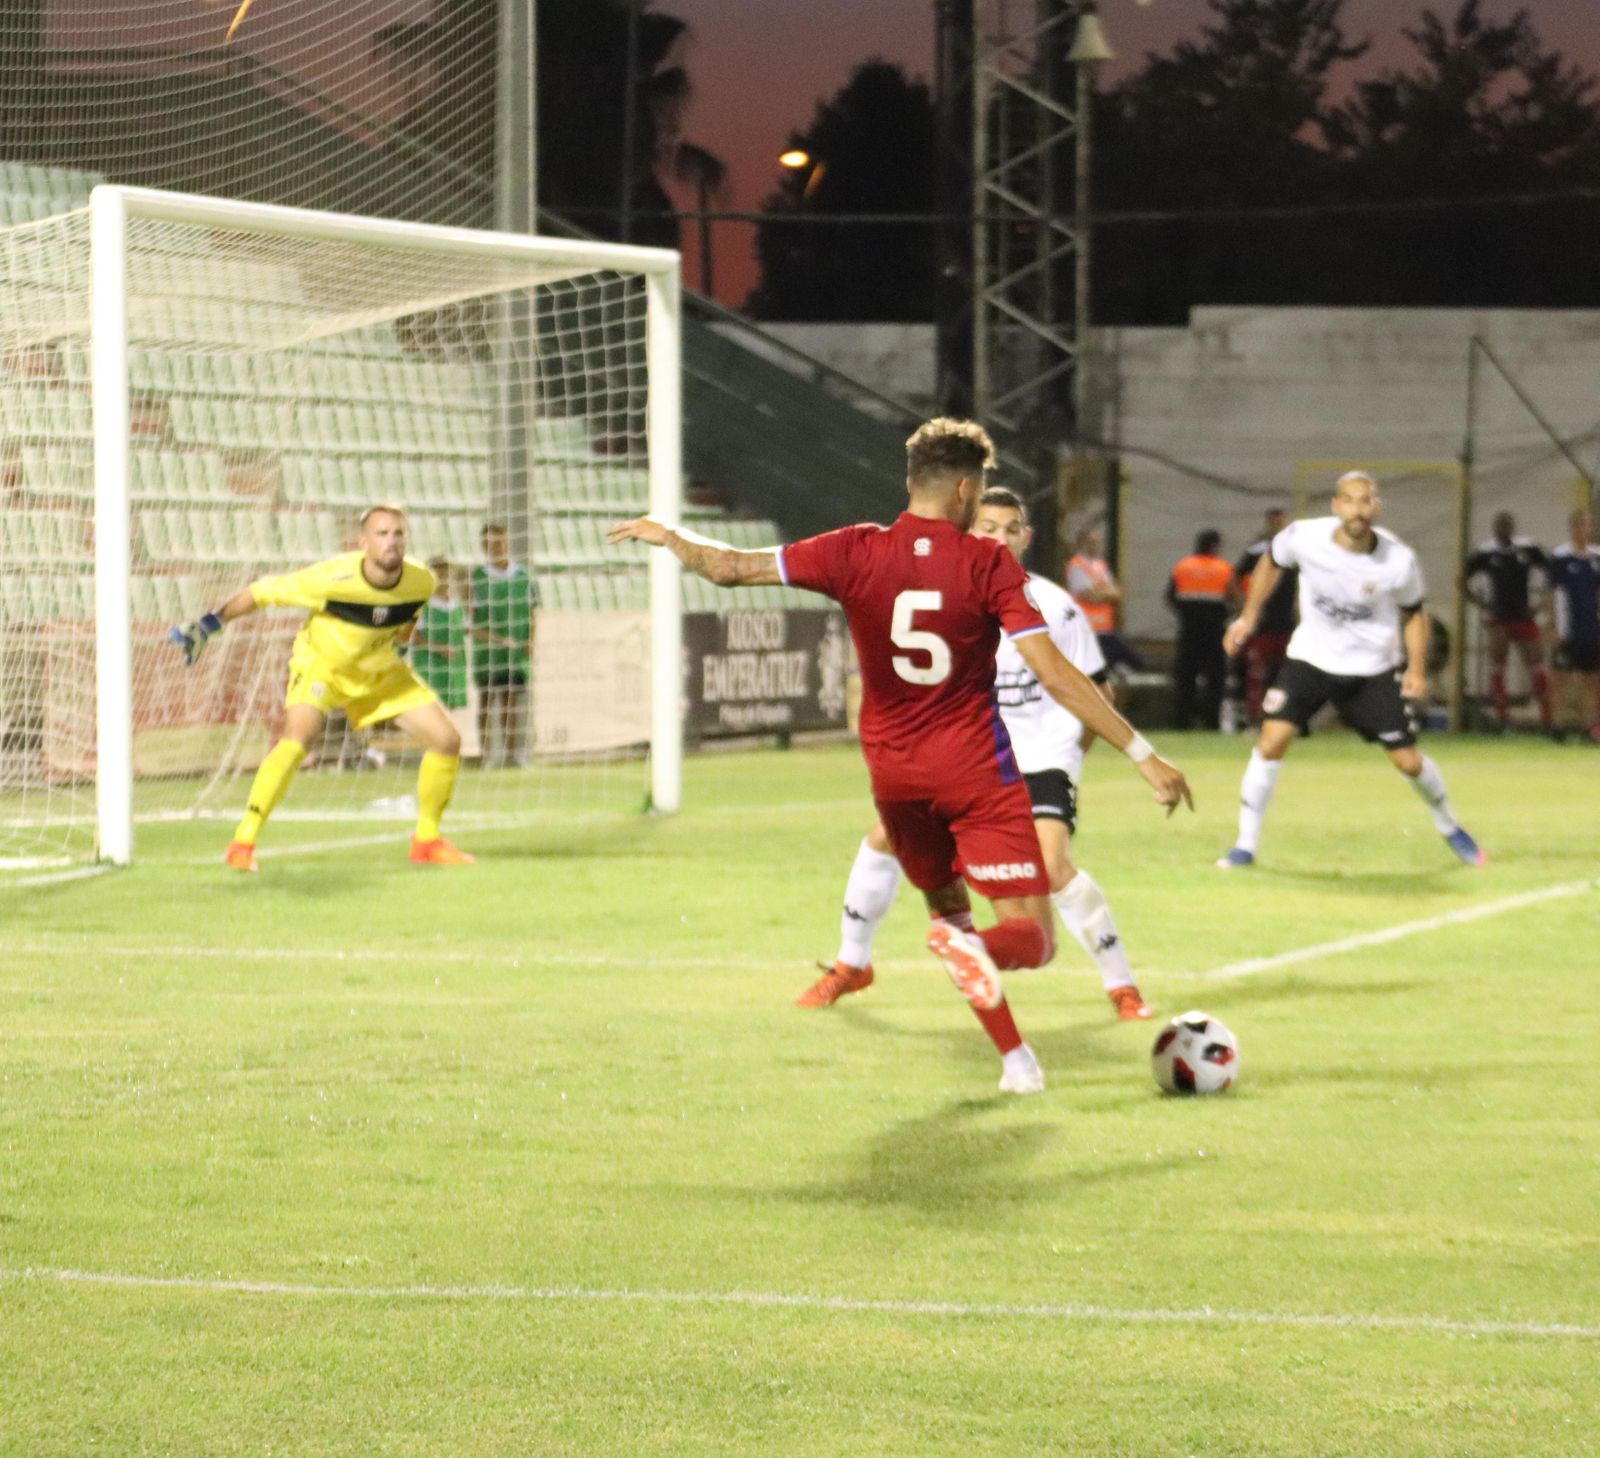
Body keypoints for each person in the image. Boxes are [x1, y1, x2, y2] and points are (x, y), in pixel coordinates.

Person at [609, 418, 1191, 1095]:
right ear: (967, 490)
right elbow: (1058, 674)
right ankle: (980, 966)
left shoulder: (853, 548)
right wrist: (1143, 753)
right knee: (1029, 938)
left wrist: (672, 534)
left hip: (893, 776)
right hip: (974, 770)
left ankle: (1017, 1063)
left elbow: (730, 568)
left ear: (911, 482)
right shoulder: (986, 562)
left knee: (952, 919)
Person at [800, 485, 1154, 1022]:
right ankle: (852, 965)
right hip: (969, 756)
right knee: (884, 837)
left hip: (1038, 758)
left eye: (1012, 530)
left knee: (1054, 867)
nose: (1001, 538)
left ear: (1026, 538)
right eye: (989, 528)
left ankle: (1122, 986)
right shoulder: (940, 595)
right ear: (969, 531)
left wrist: (1067, 758)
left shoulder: (1054, 605)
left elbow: (1097, 690)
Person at [168, 504, 475, 871]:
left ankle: (427, 841)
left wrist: (403, 642)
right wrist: (211, 623)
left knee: (447, 740)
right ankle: (243, 841)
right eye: (382, 534)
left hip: (377, 672)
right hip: (322, 669)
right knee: (299, 737)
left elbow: (407, 624)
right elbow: (261, 592)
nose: (391, 541)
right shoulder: (332, 578)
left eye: (398, 533)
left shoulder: (422, 581)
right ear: (363, 543)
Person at [1216, 471, 1483, 870]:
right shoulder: (1304, 537)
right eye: (1350, 501)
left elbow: (1413, 614)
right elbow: (1270, 563)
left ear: (1376, 507)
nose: (1357, 510)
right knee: (1272, 740)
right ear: (1336, 505)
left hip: (1371, 669)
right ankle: (1245, 844)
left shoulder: (1398, 559)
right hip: (1310, 659)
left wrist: (1416, 668)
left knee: (1408, 762)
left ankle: (1450, 827)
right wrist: (1247, 617)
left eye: (1365, 502)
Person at [1460, 511, 1552, 734]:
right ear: (1495, 529)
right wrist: (1481, 604)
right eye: (1502, 525)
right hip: (1499, 616)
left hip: (1524, 614)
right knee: (1498, 665)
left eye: (1509, 525)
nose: (1506, 529)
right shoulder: (1485, 552)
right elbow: (1461, 580)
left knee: (1536, 663)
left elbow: (1551, 571)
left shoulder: (1527, 548)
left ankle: (1548, 719)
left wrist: (1541, 603)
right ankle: (1503, 719)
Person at [472, 523, 538, 769]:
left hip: (516, 651)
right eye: (488, 544)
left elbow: (534, 612)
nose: (494, 548)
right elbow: (471, 615)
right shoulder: (477, 578)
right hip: (488, 652)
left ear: (507, 543)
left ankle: (515, 753)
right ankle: (487, 755)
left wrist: (530, 641)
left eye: (498, 543)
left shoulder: (524, 576)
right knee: (487, 701)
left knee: (512, 703)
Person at [1165, 528, 1238, 730]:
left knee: (1185, 676)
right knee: (1215, 677)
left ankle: (1181, 722)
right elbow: (1234, 598)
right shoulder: (1223, 568)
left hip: (1188, 630)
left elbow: (1170, 597)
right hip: (1215, 632)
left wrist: (1185, 614)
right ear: (1215, 546)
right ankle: (1211, 722)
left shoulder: (1183, 567)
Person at [1233, 508, 1298, 724]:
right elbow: (1233, 580)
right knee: (1257, 674)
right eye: (1275, 522)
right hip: (1261, 624)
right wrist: (1246, 608)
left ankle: (1283, 717)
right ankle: (1255, 718)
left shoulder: (1295, 552)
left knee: (1286, 675)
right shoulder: (1257, 551)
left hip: (1287, 623)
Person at [1545, 507, 1600, 743]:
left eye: (1587, 524)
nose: (1583, 529)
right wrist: (1552, 626)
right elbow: (1551, 593)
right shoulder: (1560, 557)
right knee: (1561, 678)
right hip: (1567, 628)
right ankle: (1558, 726)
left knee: (1591, 679)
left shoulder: (1597, 557)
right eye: (1579, 524)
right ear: (1572, 528)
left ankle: (1590, 727)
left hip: (1592, 627)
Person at [1068, 528, 1144, 673]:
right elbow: (1090, 596)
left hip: (1106, 628)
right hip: (1088, 629)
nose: (1096, 545)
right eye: (1091, 542)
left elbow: (1118, 593)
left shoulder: (1100, 565)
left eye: (1097, 542)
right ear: (1082, 543)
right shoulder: (1077, 565)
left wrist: (1101, 593)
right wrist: (1105, 593)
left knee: (1135, 662)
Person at [411, 557, 471, 714]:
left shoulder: (457, 605)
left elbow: (467, 630)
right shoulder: (422, 605)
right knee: (432, 717)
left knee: (450, 717)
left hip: (454, 669)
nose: (445, 580)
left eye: (448, 575)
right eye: (441, 575)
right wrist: (441, 648)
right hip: (430, 670)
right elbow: (413, 637)